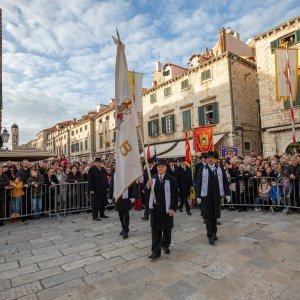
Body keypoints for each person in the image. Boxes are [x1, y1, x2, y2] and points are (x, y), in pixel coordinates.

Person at [145, 159, 178, 259]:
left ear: (166, 168)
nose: (160, 168)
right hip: (155, 210)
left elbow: (175, 196)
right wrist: (147, 186)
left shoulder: (171, 179)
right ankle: (155, 251)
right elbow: (145, 193)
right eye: (159, 167)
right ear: (157, 168)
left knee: (167, 230)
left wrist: (173, 208)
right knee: (155, 231)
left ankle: (165, 245)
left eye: (162, 167)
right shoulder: (152, 179)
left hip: (167, 209)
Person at [196, 151, 230, 245]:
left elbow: (225, 181)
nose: (210, 159)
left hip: (216, 196)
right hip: (206, 196)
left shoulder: (220, 169)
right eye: (208, 158)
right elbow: (199, 182)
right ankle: (209, 235)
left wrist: (227, 193)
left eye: (212, 158)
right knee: (207, 217)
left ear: (216, 159)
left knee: (214, 216)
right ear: (206, 159)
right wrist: (198, 195)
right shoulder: (202, 169)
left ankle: (214, 233)